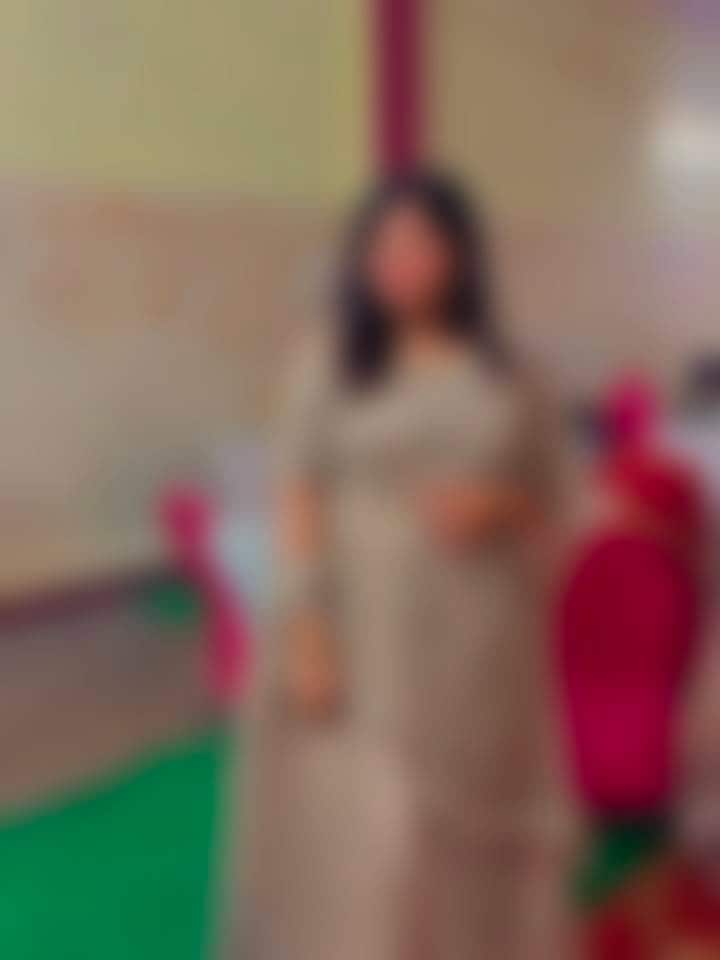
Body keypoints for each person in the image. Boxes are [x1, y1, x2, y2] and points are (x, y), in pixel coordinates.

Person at [245, 171, 562, 960]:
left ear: (460, 255)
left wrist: (498, 504)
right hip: (359, 630)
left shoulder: (512, 375)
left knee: (462, 837)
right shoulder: (329, 362)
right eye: (382, 245)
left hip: (478, 648)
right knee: (366, 832)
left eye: (421, 243)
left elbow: (555, 501)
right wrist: (306, 626)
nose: (401, 262)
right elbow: (298, 491)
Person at [556, 448, 708, 957]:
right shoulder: (667, 571)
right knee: (644, 878)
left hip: (595, 759)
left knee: (617, 879)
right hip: (648, 760)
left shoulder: (601, 563)